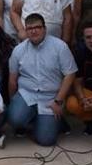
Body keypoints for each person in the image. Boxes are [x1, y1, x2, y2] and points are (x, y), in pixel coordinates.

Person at [6, 13, 77, 146]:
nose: (33, 31)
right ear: (26, 31)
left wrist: (58, 101)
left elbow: (70, 74)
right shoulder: (18, 50)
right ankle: (37, 119)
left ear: (44, 28)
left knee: (46, 140)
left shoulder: (60, 46)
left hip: (51, 97)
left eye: (37, 27)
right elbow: (12, 79)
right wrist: (13, 102)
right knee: (14, 118)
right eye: (29, 28)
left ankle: (56, 121)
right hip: (27, 94)